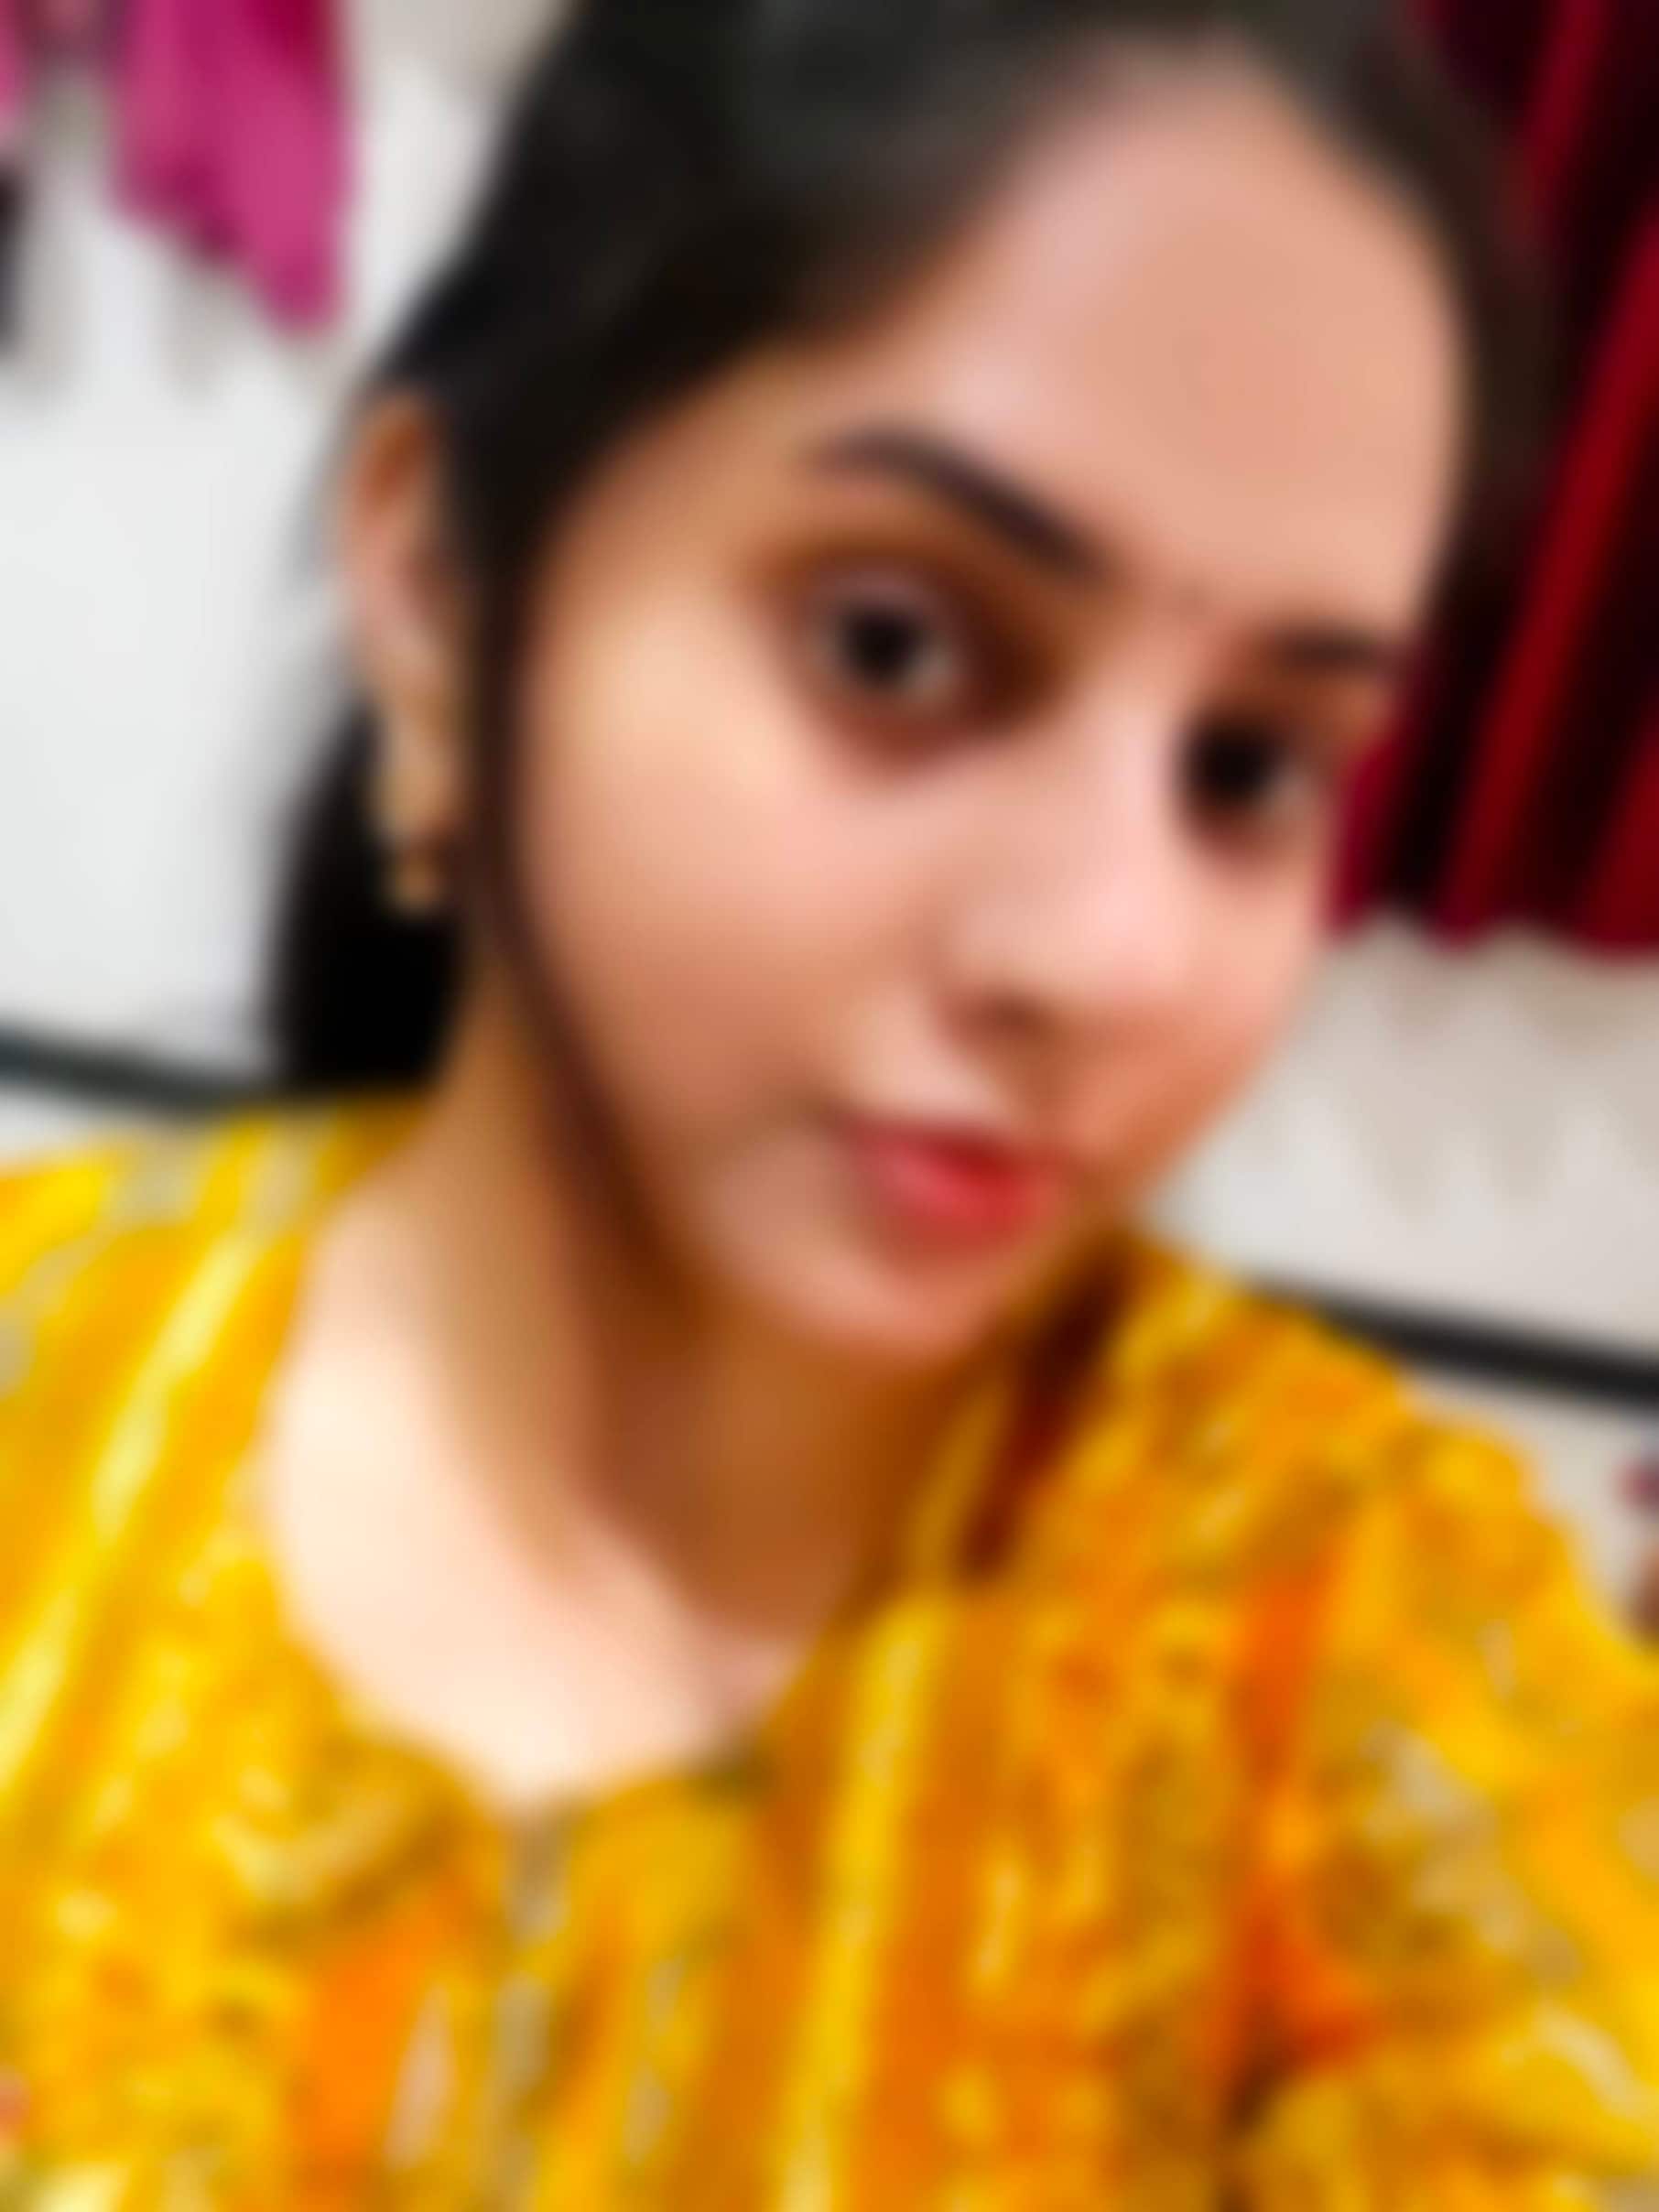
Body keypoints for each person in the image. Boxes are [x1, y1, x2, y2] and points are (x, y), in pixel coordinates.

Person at [2, 1, 1655, 2201]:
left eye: (1251, 766)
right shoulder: (41, 1403)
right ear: (439, 583)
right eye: (896, 645)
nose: (1113, 955)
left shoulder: (1375, 1660)